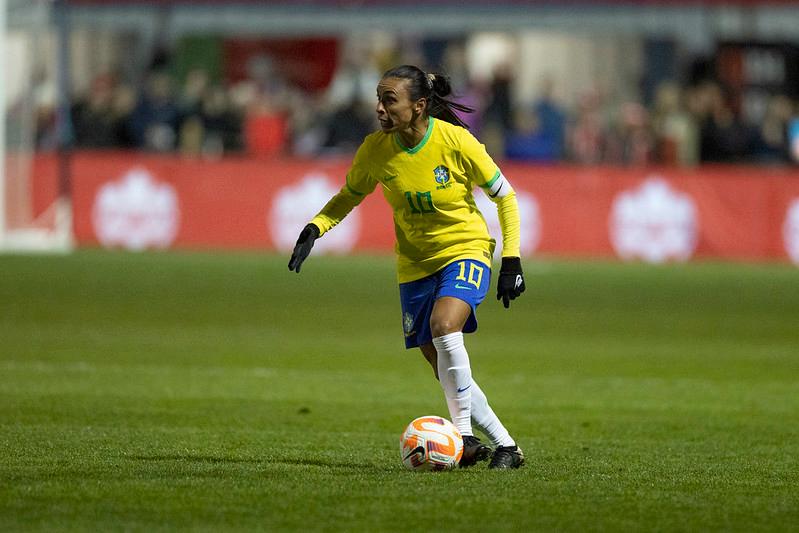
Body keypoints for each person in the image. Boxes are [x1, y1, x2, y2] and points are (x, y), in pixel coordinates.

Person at [288, 65, 526, 469]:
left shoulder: (457, 141)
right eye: (378, 99)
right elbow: (350, 194)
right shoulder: (375, 150)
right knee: (442, 366)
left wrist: (512, 258)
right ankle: (506, 446)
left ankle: (463, 435)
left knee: (444, 325)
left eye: (389, 100)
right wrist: (316, 226)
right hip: (414, 263)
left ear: (418, 106)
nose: (380, 108)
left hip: (465, 248)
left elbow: (505, 195)